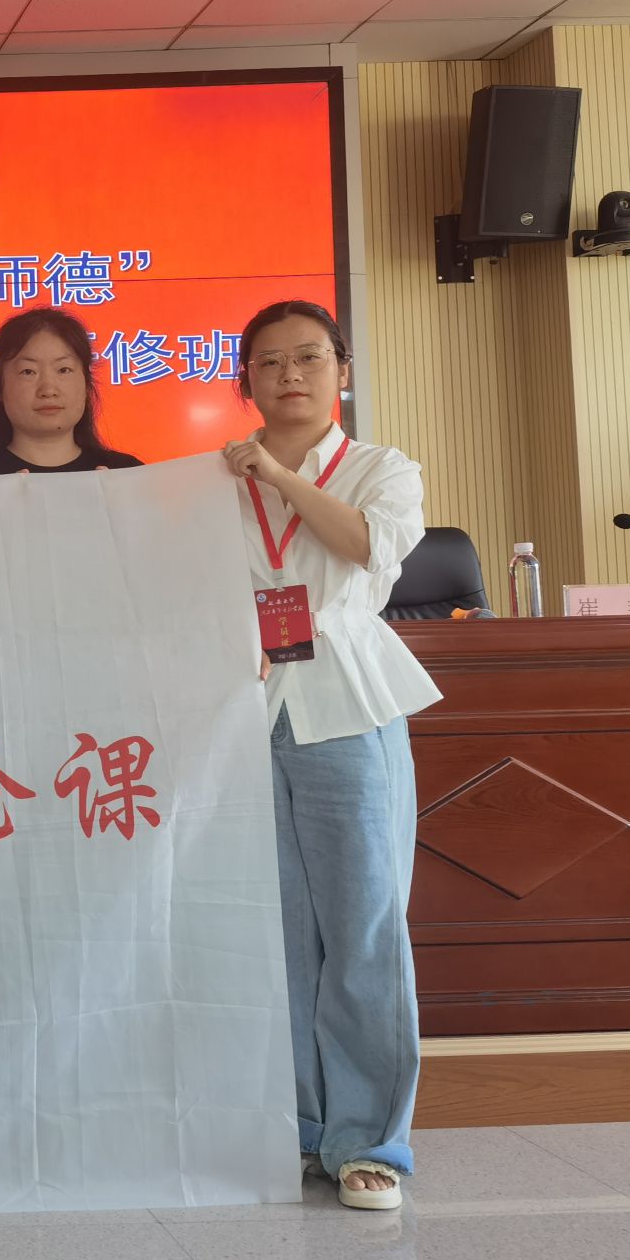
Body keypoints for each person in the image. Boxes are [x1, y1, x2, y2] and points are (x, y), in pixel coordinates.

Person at [219, 298, 440, 1213]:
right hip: (242, 708)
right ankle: (297, 1129)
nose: (289, 375)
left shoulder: (384, 469)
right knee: (271, 932)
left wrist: (276, 476)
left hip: (345, 700)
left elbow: (365, 548)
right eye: (268, 362)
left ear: (342, 370)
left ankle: (369, 1140)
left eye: (308, 357)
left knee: (362, 925)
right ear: (246, 381)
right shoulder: (213, 478)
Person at [0, 308, 142, 475]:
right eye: (28, 371)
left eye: (64, 370)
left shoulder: (127, 475)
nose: (48, 390)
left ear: (86, 384)